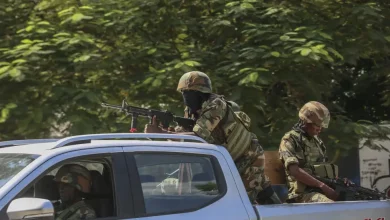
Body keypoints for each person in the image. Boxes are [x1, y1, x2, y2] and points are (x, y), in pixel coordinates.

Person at [144, 71, 281, 204]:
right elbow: (185, 137)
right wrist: (163, 133)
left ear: (199, 93)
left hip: (248, 158)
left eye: (187, 93)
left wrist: (163, 134)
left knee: (241, 204)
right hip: (232, 160)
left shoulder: (216, 105)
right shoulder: (193, 110)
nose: (184, 97)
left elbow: (198, 138)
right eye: (183, 93)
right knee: (264, 192)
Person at [278, 101, 341, 203]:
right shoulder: (290, 139)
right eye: (317, 125)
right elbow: (295, 171)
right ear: (306, 121)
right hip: (302, 195)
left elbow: (324, 168)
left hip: (321, 191)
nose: (320, 128)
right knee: (329, 205)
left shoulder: (317, 141)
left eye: (322, 125)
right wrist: (322, 186)